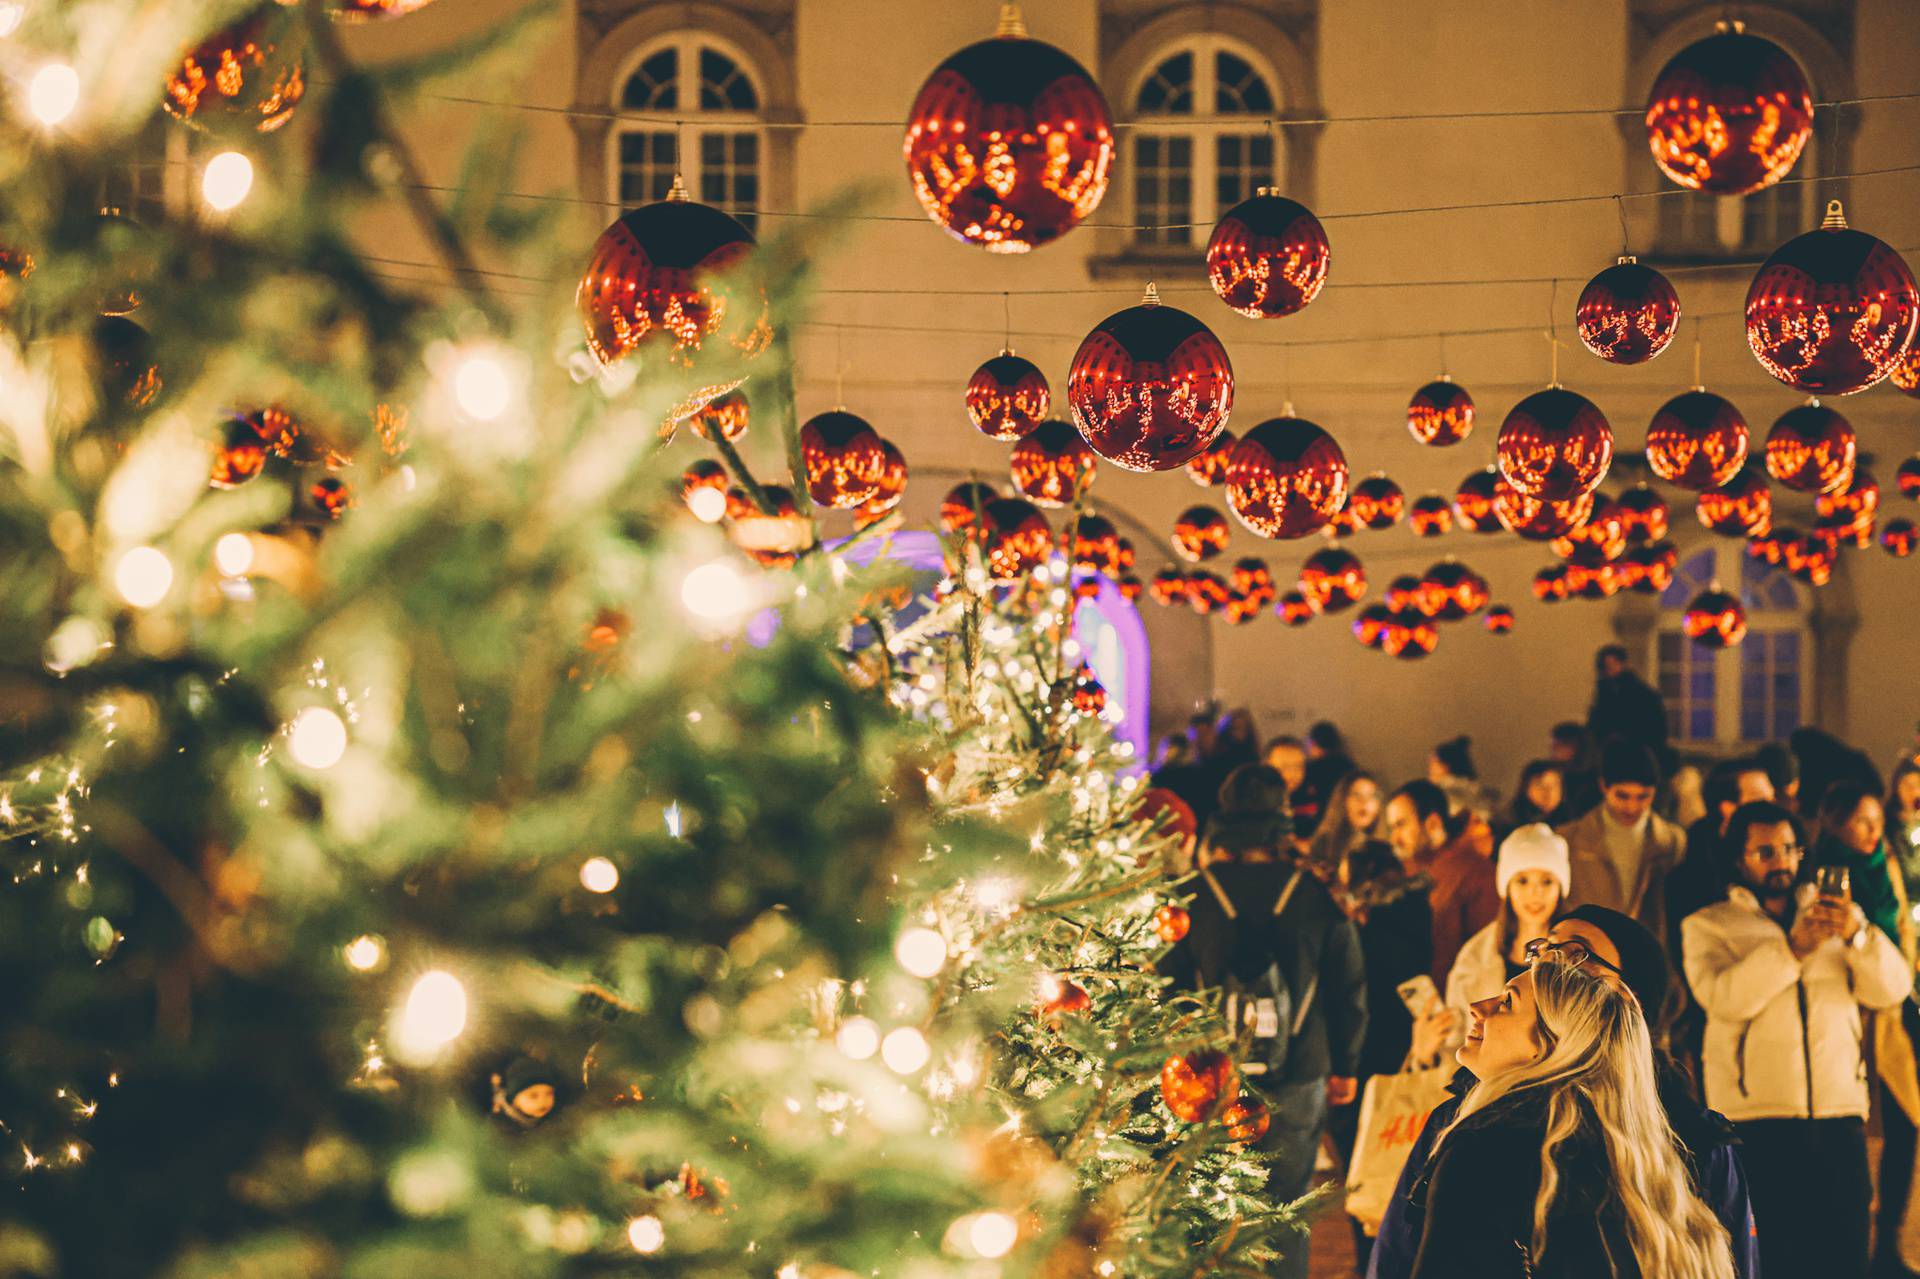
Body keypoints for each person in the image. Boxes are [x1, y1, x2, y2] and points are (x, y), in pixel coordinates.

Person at [1372, 905, 1759, 1279]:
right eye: (1543, 950)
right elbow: (1399, 1253)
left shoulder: (1690, 1138)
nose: (1548, 965)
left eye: (1576, 956)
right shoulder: (1463, 1119)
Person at [1683, 800, 1909, 1279]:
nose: (1781, 861)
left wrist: (1858, 934)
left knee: (1844, 1255)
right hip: (1755, 1121)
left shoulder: (1836, 918)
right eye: (1765, 852)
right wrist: (1791, 950)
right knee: (1772, 1260)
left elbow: (1892, 987)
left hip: (1838, 1113)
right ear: (1739, 859)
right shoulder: (1708, 925)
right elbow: (1723, 999)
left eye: (1789, 848)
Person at [1159, 764, 1367, 1279]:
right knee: (1285, 1211)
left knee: (1214, 1209)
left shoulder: (1194, 892)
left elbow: (1169, 987)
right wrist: (1345, 1065)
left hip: (1211, 1079)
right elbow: (1348, 987)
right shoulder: (1314, 894)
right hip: (1300, 1070)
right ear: (1282, 823)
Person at [1326, 836, 1433, 1274]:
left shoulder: (1352, 926)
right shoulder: (1417, 915)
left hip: (1355, 1063)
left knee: (1362, 1174)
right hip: (1403, 1059)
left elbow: (1341, 997)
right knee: (1405, 1175)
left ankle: (1367, 1263)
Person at [1415, 825, 1569, 1064]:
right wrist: (1425, 1051)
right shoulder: (1475, 957)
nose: (1535, 893)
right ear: (1506, 886)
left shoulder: (1575, 953)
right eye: (1522, 880)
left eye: (1547, 881)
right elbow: (1458, 1046)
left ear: (1561, 887)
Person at [1560, 740, 1687, 954]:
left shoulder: (1673, 841)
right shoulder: (1569, 839)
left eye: (1643, 796)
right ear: (1604, 786)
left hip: (1648, 958)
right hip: (1588, 957)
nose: (1632, 806)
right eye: (1622, 795)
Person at [1386, 780, 1499, 989]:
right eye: (1391, 828)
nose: (1394, 838)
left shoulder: (1475, 872)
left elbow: (1487, 953)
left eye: (1401, 825)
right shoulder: (1407, 870)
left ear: (1432, 823)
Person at [1667, 757, 1776, 957]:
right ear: (1728, 808)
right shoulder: (1692, 875)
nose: (1772, 809)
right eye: (1760, 800)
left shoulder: (1779, 858)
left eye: (1772, 798)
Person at [1809, 780, 1903, 945]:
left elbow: (1903, 923)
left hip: (1893, 963)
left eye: (1878, 819)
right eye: (1862, 820)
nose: (1874, 829)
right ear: (1838, 823)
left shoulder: (1885, 862)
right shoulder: (1828, 873)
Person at [1587, 643, 1672, 777]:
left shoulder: (1640, 694)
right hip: (1614, 752)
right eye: (1606, 666)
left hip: (1635, 751)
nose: (1609, 670)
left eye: (1612, 664)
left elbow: (1654, 726)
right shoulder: (1605, 692)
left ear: (1622, 664)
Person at [1307, 770, 1385, 875]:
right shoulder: (1324, 842)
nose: (1364, 802)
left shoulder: (1385, 849)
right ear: (1342, 800)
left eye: (1372, 796)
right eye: (1356, 795)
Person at [1149, 732, 1214, 826]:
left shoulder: (1191, 774)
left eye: (1170, 748)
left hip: (1175, 822)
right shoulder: (1158, 775)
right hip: (1184, 821)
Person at [1503, 760, 1568, 836]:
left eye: (1554, 785)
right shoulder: (1508, 825)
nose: (1549, 792)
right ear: (1526, 788)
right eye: (1541, 785)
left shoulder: (1572, 823)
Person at [1265, 735, 1314, 834]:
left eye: (1298, 767)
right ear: (1266, 766)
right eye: (1284, 767)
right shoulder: (1253, 804)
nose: (1291, 774)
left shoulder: (1309, 799)